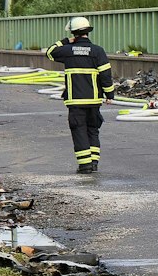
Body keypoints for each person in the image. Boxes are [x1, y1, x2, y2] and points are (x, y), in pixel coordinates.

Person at [46, 16, 114, 172]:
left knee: (79, 130)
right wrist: (109, 95)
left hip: (75, 101)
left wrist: (65, 41)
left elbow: (49, 52)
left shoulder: (67, 51)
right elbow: (106, 75)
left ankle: (85, 165)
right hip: (94, 100)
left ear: (73, 33)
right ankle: (94, 163)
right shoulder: (98, 51)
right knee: (92, 130)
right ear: (87, 31)